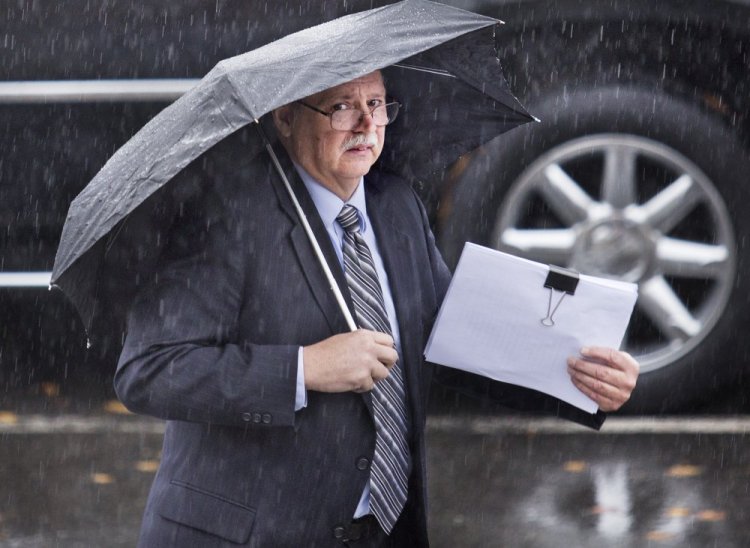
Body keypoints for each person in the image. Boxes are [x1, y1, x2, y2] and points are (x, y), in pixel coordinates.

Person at [115, 70, 639, 547]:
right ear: (286, 117)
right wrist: (305, 369)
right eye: (342, 107)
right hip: (254, 533)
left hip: (381, 530)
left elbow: (451, 342)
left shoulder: (395, 206)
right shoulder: (225, 221)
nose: (367, 123)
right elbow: (151, 370)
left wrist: (578, 373)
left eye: (378, 103)